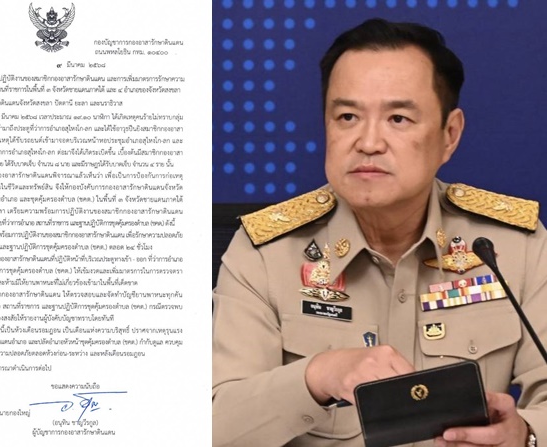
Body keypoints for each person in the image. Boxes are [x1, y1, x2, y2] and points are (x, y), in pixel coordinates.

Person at [212, 18, 546, 447]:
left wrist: (527, 434)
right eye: (347, 116)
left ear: (449, 135)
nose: (368, 142)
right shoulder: (265, 252)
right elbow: (214, 428)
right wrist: (317, 375)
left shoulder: (511, 247)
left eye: (398, 118)